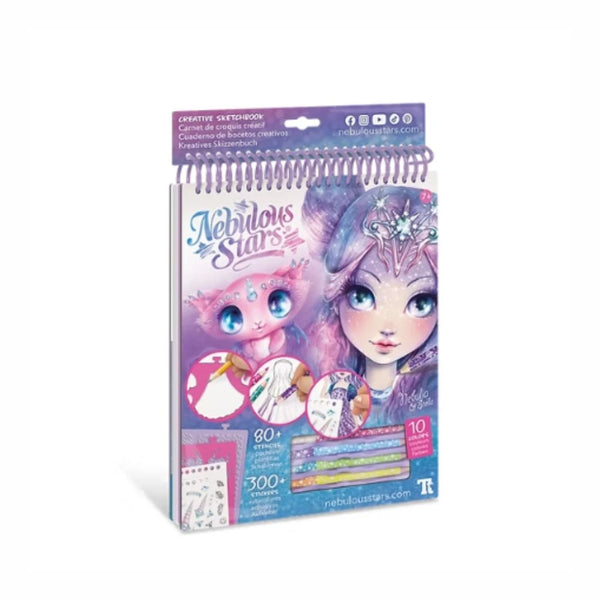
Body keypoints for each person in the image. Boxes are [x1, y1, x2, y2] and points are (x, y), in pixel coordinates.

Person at [302, 182, 438, 426]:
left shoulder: (432, 396)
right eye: (362, 296)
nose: (388, 328)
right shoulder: (316, 367)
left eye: (420, 304)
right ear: (337, 295)